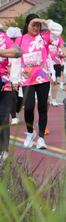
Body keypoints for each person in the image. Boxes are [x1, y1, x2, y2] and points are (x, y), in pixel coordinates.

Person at [15, 14, 63, 149]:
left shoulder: (44, 37)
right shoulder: (20, 39)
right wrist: (15, 79)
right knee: (29, 107)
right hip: (27, 79)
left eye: (38, 25)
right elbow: (16, 59)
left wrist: (43, 21)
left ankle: (41, 138)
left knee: (42, 107)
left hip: (43, 77)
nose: (36, 28)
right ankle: (30, 133)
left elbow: (58, 30)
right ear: (27, 25)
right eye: (33, 25)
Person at [0, 29, 22, 160]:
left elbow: (18, 51)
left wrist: (1, 52)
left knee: (3, 117)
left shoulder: (3, 37)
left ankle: (4, 151)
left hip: (4, 82)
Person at [4, 27, 21, 125]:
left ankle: (16, 113)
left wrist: (17, 79)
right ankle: (14, 117)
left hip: (19, 76)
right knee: (12, 96)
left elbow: (18, 65)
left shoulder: (18, 49)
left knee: (20, 98)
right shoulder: (5, 48)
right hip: (7, 77)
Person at [48, 31, 66, 107]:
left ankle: (54, 99)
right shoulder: (44, 35)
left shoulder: (58, 36)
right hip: (46, 61)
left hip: (56, 61)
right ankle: (47, 99)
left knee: (54, 81)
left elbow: (62, 46)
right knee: (46, 82)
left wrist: (65, 55)